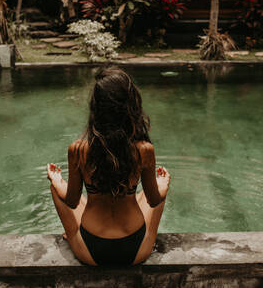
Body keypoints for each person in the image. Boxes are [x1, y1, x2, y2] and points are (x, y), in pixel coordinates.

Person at [47, 67, 171, 266]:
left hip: (91, 250)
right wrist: (163, 184)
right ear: (131, 106)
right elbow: (154, 200)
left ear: (96, 107)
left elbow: (71, 201)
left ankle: (72, 236)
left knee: (56, 187)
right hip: (135, 250)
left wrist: (57, 180)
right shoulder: (144, 150)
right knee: (151, 193)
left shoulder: (78, 149)